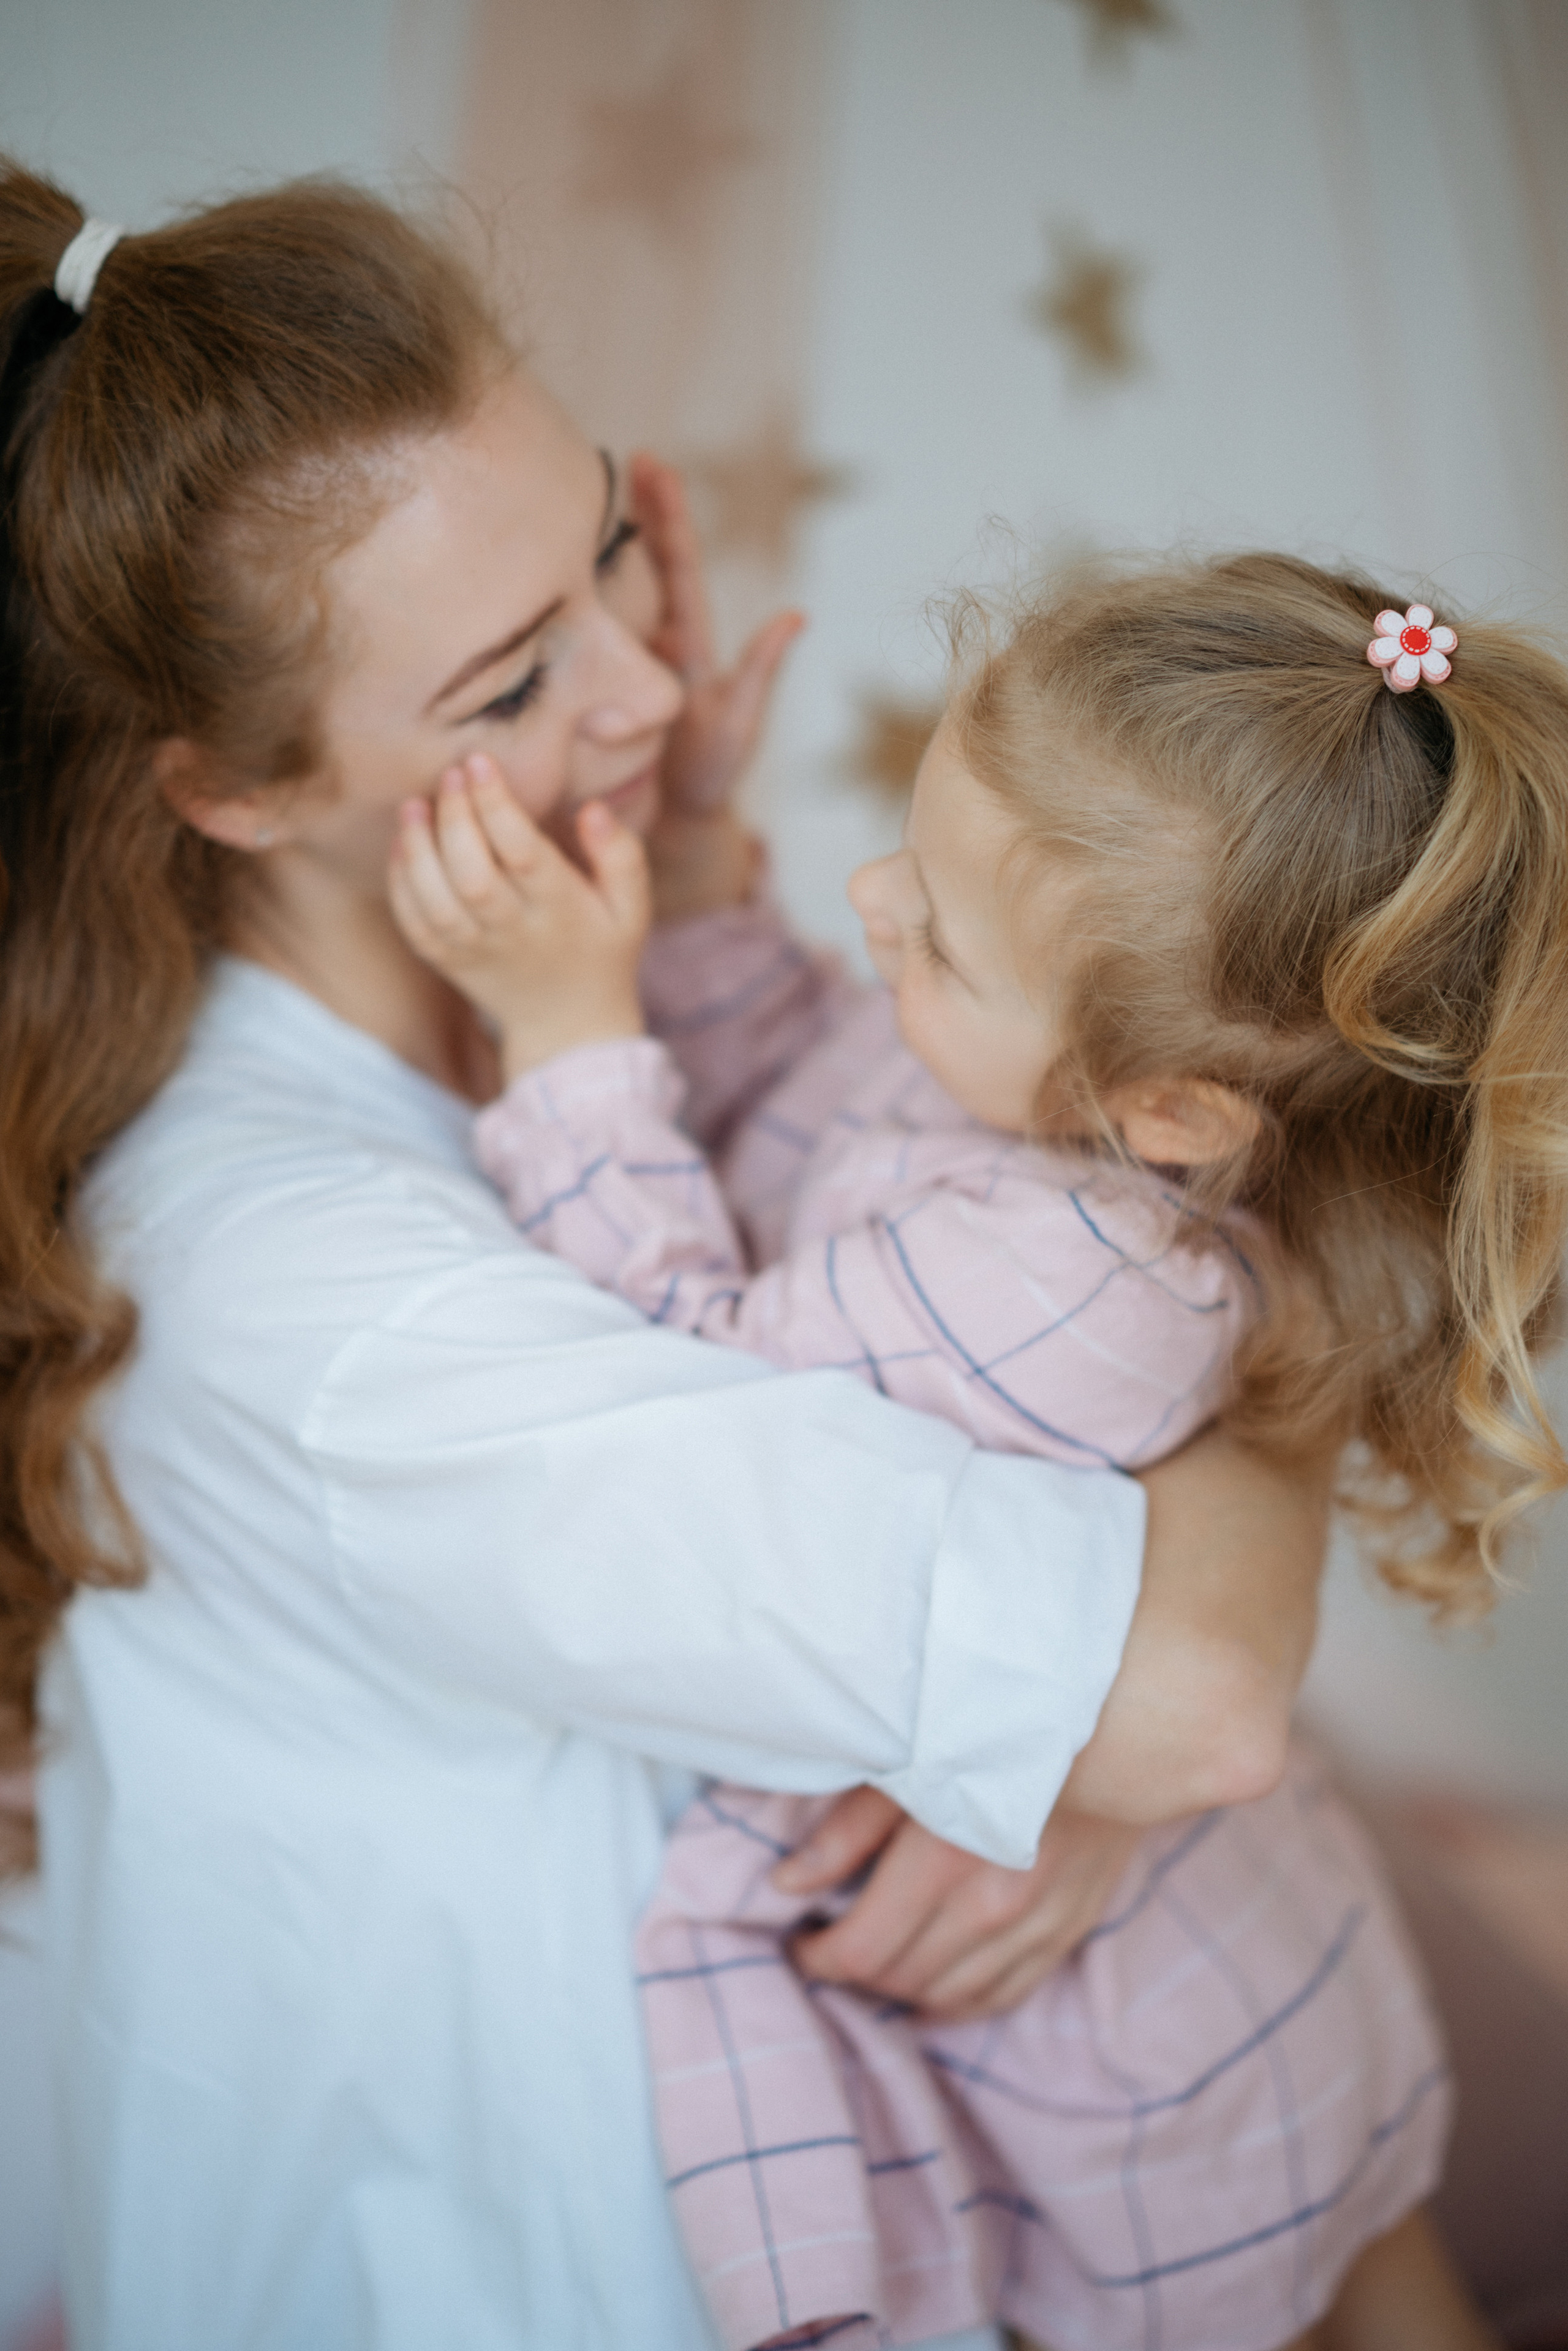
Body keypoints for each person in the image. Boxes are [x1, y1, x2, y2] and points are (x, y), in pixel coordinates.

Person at [0, 164, 1328, 2351]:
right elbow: (1192, 1691)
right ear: (233, 792)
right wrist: (1072, 1751)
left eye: (610, 534)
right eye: (514, 678)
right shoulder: (307, 1298)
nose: (642, 680)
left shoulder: (584, 964)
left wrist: (690, 888)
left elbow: (1104, 1290)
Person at [390, 556, 1568, 2349]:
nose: (865, 903)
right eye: (905, 854)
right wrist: (701, 871)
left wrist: (568, 1035)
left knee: (1317, 2271)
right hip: (1231, 1931)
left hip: (1138, 2049)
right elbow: (799, 1070)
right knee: (1368, 2246)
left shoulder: (1078, 1274)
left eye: (934, 930)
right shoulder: (1033, 1089)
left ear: (1165, 1108)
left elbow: (695, 1406)